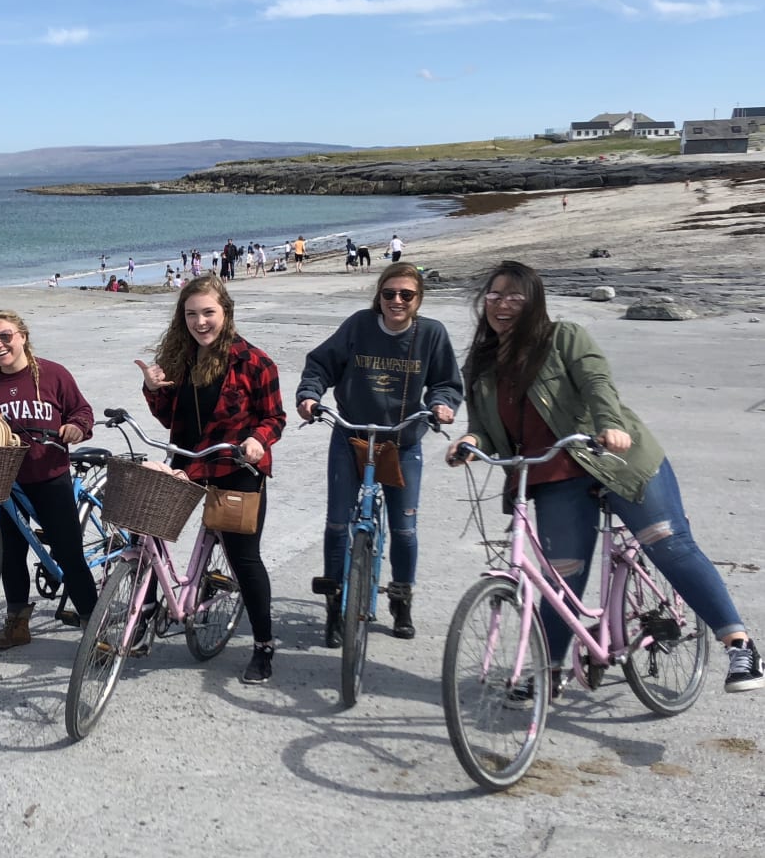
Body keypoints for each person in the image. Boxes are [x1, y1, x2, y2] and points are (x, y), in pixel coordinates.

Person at [447, 260, 763, 693]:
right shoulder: (480, 364)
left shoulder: (563, 337)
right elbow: (485, 426)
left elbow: (598, 384)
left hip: (615, 458)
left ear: (534, 301)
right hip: (550, 473)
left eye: (515, 296)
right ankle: (549, 671)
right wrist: (469, 442)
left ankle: (739, 644)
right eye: (495, 295)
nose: (503, 305)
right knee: (561, 577)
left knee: (667, 543)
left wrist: (609, 425)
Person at [296, 262, 462, 646]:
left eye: (407, 295)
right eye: (389, 294)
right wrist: (309, 394)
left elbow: (446, 383)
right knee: (338, 523)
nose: (397, 301)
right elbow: (321, 364)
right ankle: (334, 604)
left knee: (405, 529)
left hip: (401, 440)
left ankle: (401, 599)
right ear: (379, 296)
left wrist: (441, 405)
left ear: (419, 299)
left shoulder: (432, 334)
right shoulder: (359, 326)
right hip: (351, 436)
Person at [134, 275, 287, 684]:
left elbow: (275, 418)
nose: (200, 322)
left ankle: (263, 646)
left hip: (236, 467)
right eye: (191, 314)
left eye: (208, 313)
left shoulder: (255, 362)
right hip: (188, 460)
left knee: (243, 557)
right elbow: (169, 418)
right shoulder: (182, 359)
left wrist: (258, 439)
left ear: (226, 313)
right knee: (144, 527)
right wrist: (153, 389)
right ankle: (145, 615)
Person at [0, 310, 97, 649]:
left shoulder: (54, 374)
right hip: (6, 479)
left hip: (49, 474)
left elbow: (82, 411)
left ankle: (93, 626)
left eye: (5, 337)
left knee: (69, 553)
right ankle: (17, 624)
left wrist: (76, 428)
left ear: (22, 336)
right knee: (10, 555)